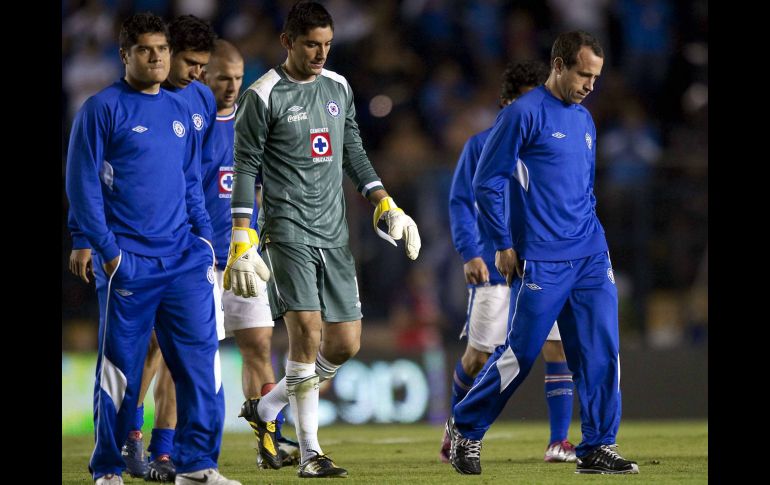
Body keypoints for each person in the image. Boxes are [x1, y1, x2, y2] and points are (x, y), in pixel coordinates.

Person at [223, 0, 421, 478]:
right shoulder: (262, 94)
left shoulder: (339, 88)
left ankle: (267, 407)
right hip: (286, 228)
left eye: (327, 45)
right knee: (307, 333)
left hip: (334, 230)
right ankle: (311, 452)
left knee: (345, 343)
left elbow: (351, 147)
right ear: (288, 41)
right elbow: (246, 166)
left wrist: (382, 200)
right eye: (312, 44)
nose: (320, 53)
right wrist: (241, 234)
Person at [446, 31, 639, 475]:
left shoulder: (584, 119)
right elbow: (485, 181)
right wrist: (502, 244)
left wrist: (594, 240)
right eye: (583, 74)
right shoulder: (522, 114)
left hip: (590, 254)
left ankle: (596, 446)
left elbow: (582, 189)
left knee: (600, 350)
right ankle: (466, 428)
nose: (591, 85)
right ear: (558, 65)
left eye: (596, 76)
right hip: (543, 260)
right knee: (521, 353)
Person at [65, 12, 240, 485]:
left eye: (162, 49)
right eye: (146, 50)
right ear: (125, 55)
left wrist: (204, 242)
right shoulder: (102, 109)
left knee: (202, 366)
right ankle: (107, 469)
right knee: (121, 372)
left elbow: (189, 181)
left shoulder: (184, 107)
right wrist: (105, 249)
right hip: (129, 261)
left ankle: (197, 465)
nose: (158, 57)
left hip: (185, 258)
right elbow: (81, 184)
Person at [442, 60, 576, 465]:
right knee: (479, 355)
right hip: (492, 265)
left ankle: (558, 442)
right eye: (523, 102)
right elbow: (462, 202)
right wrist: (471, 252)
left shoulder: (548, 145)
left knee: (556, 347)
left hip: (539, 263)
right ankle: (457, 426)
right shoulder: (480, 145)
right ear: (505, 105)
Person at [200, 38, 300, 468]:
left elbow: (268, 184)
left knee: (259, 346)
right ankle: (171, 446)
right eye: (223, 77)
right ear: (203, 75)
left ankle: (269, 441)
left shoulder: (250, 121)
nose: (231, 86)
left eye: (238, 78)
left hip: (245, 258)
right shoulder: (190, 123)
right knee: (186, 358)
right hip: (200, 261)